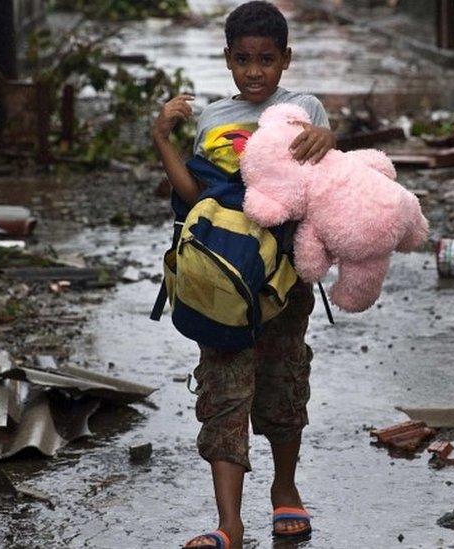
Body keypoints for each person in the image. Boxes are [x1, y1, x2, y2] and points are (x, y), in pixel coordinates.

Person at [150, 2, 336, 548]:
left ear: (286, 59)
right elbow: (195, 198)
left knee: (282, 382)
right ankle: (228, 523)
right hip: (220, 273)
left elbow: (325, 186)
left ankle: (285, 491)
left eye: (267, 59)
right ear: (227, 58)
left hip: (284, 277)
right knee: (223, 390)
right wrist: (162, 137)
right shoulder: (211, 118)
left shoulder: (304, 108)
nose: (255, 71)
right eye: (243, 59)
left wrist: (329, 142)